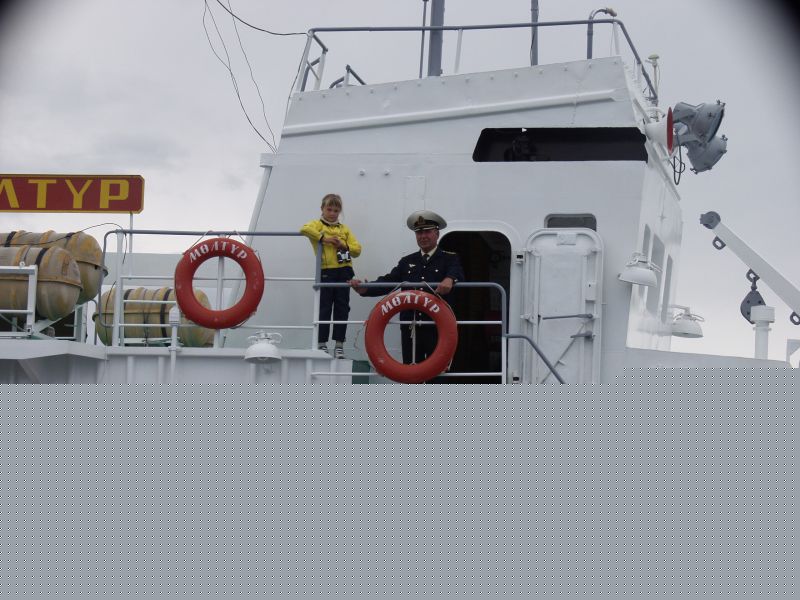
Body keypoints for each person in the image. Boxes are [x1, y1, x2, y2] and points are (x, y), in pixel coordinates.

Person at [350, 209, 464, 366]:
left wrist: (449, 279)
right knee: (411, 370)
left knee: (437, 372)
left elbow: (457, 272)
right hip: (410, 327)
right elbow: (389, 281)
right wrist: (365, 289)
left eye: (427, 231)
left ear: (437, 234)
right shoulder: (407, 261)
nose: (423, 236)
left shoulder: (449, 259)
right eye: (419, 233)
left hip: (437, 327)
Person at [300, 193, 362, 358]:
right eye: (329, 209)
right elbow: (304, 229)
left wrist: (344, 244)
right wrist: (324, 238)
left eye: (336, 210)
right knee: (325, 307)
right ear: (322, 209)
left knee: (342, 308)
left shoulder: (344, 229)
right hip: (327, 271)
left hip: (345, 271)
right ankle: (322, 343)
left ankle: (339, 345)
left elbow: (357, 250)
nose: (333, 213)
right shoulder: (317, 225)